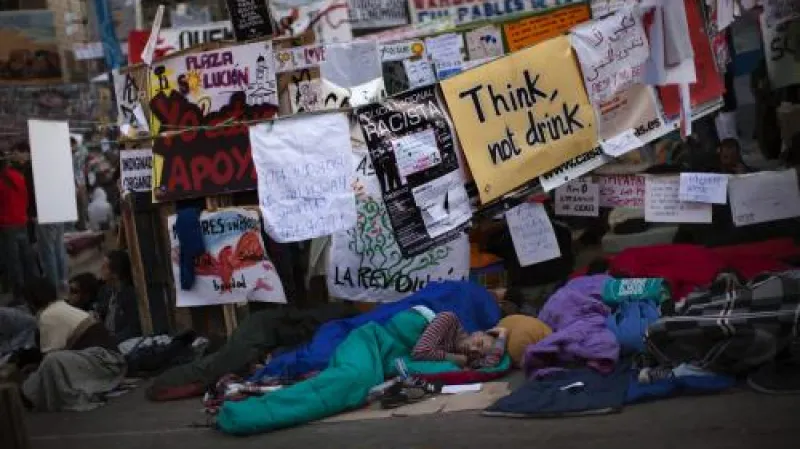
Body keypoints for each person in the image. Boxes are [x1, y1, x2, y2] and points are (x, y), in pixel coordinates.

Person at [20, 276, 126, 412]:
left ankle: (26, 395)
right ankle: (27, 394)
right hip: (105, 359)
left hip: (106, 361)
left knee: (52, 361)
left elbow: (50, 358)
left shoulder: (48, 315)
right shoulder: (58, 307)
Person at [411, 311, 507, 369]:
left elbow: (491, 363)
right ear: (477, 333)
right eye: (479, 344)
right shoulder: (448, 319)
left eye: (477, 354)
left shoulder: (467, 358)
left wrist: (502, 336)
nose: (472, 350)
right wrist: (452, 357)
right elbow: (419, 352)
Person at [0, 156, 37, 299]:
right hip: (22, 222)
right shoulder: (18, 176)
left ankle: (19, 295)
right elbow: (26, 199)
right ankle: (33, 289)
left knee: (13, 261)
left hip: (7, 226)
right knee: (26, 258)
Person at [95, 250, 141, 344]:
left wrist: (110, 342)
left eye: (104, 267)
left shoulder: (130, 295)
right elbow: (100, 312)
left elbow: (133, 329)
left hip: (121, 343)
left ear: (115, 273)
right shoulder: (105, 292)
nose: (101, 269)